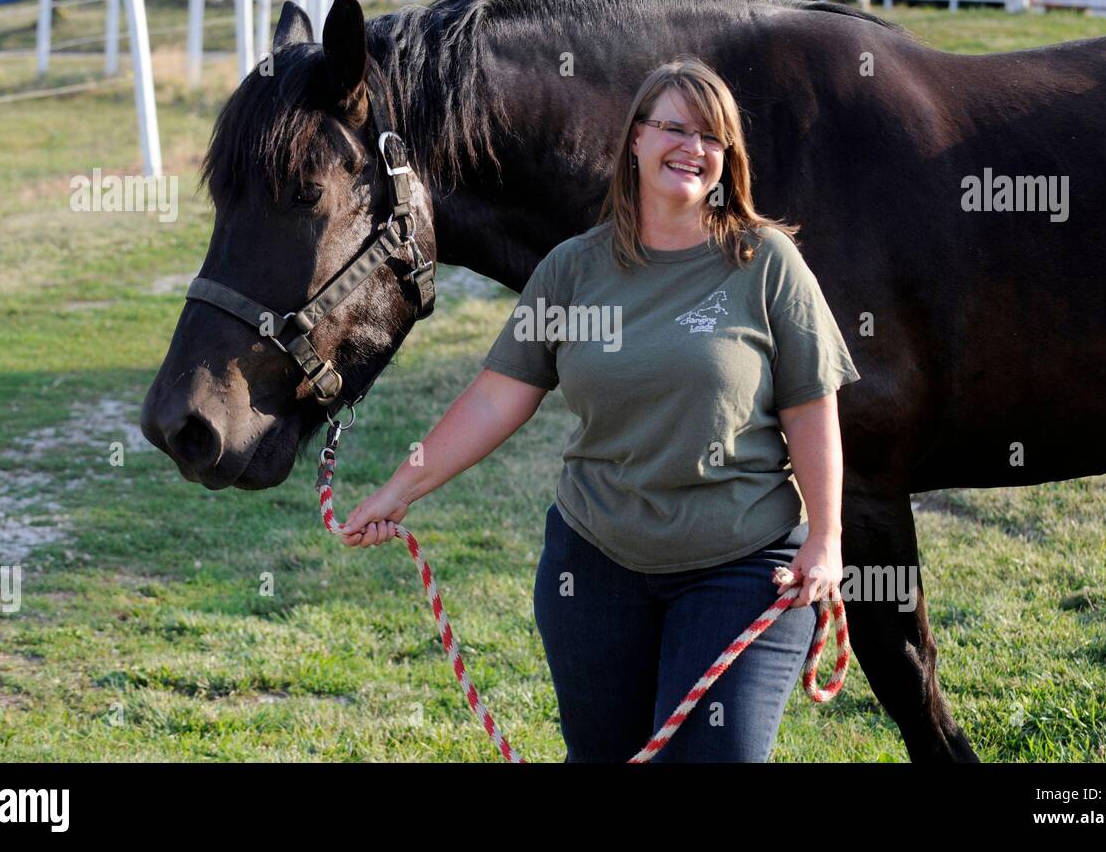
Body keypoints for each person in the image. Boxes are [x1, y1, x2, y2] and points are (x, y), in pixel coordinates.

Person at [336, 56, 861, 762]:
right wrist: (399, 491)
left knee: (719, 754)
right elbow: (497, 395)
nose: (693, 148)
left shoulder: (764, 262)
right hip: (596, 563)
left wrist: (826, 539)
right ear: (636, 140)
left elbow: (810, 409)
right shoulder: (573, 270)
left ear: (728, 156)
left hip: (744, 562)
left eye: (713, 136)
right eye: (675, 127)